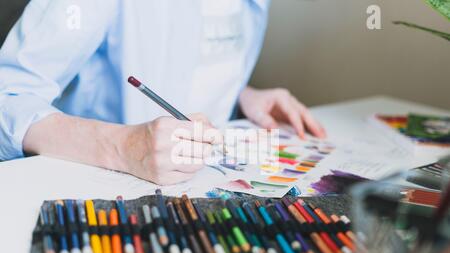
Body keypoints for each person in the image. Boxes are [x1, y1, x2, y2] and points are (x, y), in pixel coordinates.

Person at [0, 0, 326, 185]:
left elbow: (189, 58)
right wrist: (123, 147)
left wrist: (242, 95)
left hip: (209, 181)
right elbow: (7, 99)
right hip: (106, 191)